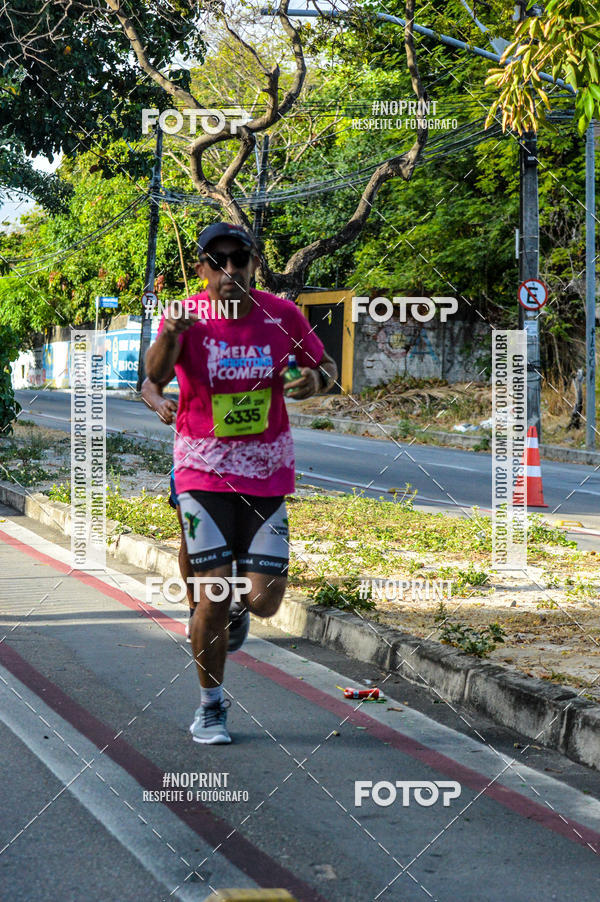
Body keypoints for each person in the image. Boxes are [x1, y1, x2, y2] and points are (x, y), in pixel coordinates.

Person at [145, 221, 337, 744]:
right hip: (201, 471)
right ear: (202, 268)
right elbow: (153, 377)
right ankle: (211, 706)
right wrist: (170, 336)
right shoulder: (186, 316)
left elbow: (324, 366)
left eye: (240, 260)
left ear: (253, 263)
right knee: (209, 592)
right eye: (220, 261)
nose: (231, 270)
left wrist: (313, 381)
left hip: (267, 475)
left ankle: (236, 609)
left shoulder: (283, 313)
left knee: (265, 601)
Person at [140, 376, 249, 649]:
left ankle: (228, 604)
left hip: (241, 455)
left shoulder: (254, 338)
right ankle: (194, 609)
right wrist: (159, 403)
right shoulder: (187, 337)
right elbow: (148, 386)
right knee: (191, 539)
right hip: (193, 456)